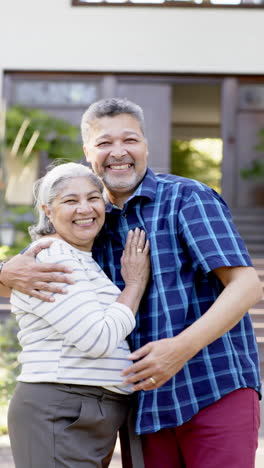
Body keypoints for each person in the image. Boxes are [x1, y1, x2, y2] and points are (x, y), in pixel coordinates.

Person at [1, 98, 263, 468]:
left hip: (212, 385)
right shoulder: (87, 219)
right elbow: (29, 269)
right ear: (88, 152)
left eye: (130, 140)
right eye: (105, 143)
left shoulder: (187, 198)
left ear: (145, 146)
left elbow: (247, 285)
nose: (118, 152)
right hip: (145, 405)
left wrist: (179, 349)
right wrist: (3, 271)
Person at [6, 162, 150, 468]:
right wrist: (135, 284)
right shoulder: (52, 256)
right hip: (61, 408)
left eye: (93, 198)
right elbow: (96, 339)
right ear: (48, 210)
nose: (84, 209)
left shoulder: (84, 259)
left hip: (86, 409)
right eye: (70, 201)